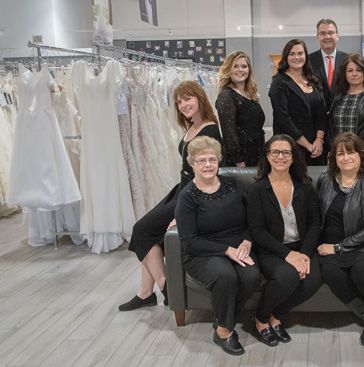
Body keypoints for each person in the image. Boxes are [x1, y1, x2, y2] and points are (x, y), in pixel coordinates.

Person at [119, 81, 226, 312]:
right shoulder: (193, 126)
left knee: (141, 230)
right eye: (179, 101)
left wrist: (185, 210)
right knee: (148, 236)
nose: (183, 105)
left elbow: (209, 171)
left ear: (199, 98)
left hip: (191, 195)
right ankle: (145, 292)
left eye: (188, 99)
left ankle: (167, 289)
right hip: (181, 189)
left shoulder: (209, 128)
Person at [174, 136, 260, 356]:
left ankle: (223, 317)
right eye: (201, 160)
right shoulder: (187, 198)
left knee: (251, 275)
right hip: (201, 251)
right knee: (225, 276)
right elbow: (190, 242)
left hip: (237, 244)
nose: (208, 165)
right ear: (191, 164)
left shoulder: (233, 185)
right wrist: (226, 251)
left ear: (219, 161)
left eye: (212, 159)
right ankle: (224, 330)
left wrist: (247, 240)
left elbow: (254, 219)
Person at [245, 134, 323, 346]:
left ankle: (274, 315)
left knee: (314, 277)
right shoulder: (257, 190)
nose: (281, 156)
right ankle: (260, 319)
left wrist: (305, 254)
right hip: (273, 250)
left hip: (303, 247)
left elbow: (316, 224)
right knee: (288, 276)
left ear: (292, 157)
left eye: (286, 152)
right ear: (268, 156)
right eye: (275, 152)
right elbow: (257, 231)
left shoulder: (305, 186)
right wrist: (289, 255)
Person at [316, 132, 364, 348]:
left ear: (361, 155)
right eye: (340, 153)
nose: (346, 157)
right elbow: (315, 216)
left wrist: (339, 247)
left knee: (362, 271)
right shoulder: (325, 180)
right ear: (334, 158)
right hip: (329, 246)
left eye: (351, 152)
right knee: (330, 271)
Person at [269, 39, 328, 166]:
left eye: (300, 53)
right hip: (291, 147)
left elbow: (322, 114)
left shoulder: (313, 80)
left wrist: (319, 140)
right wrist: (307, 145)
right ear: (286, 57)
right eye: (292, 54)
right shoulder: (279, 83)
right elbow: (283, 119)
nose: (297, 57)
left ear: (306, 56)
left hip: (316, 148)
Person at [329, 54, 364, 163]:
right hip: (340, 155)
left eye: (358, 70)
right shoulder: (338, 96)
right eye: (350, 71)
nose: (354, 74)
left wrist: (358, 150)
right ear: (345, 74)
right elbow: (330, 126)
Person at [215, 50, 266, 167]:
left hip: (257, 153)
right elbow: (229, 134)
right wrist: (239, 161)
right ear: (228, 69)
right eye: (235, 66)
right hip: (241, 160)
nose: (240, 70)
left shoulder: (250, 94)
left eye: (244, 66)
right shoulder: (226, 96)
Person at [308, 18, 349, 109]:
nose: (327, 36)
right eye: (322, 33)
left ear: (337, 35)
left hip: (342, 113)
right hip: (317, 116)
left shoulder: (348, 60)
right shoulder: (308, 61)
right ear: (317, 36)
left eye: (331, 32)